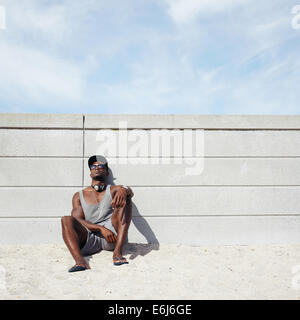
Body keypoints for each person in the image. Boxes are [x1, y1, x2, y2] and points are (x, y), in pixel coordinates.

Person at [61, 155, 133, 272]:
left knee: (127, 199)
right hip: (89, 238)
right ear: (90, 173)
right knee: (66, 219)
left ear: (107, 173)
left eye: (101, 166)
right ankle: (80, 262)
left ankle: (117, 253)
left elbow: (130, 190)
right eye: (93, 166)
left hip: (112, 236)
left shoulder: (114, 189)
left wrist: (124, 190)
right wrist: (100, 228)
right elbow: (77, 219)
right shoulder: (78, 195)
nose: (97, 168)